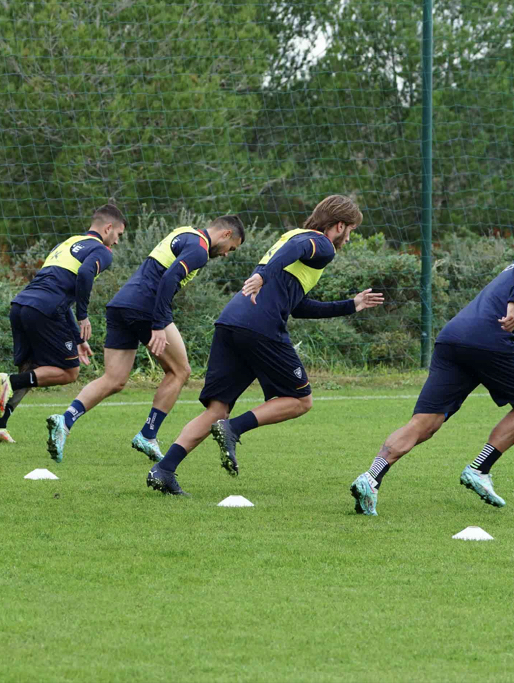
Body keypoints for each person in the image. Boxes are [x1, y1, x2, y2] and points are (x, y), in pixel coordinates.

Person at [349, 224, 514, 516]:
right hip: (488, 341)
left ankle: (371, 478)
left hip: (454, 339)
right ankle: (480, 468)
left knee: (424, 423)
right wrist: (513, 304)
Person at [147, 195, 384, 495]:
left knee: (217, 410)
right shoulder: (320, 244)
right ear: (339, 226)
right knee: (301, 400)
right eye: (350, 231)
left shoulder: (291, 237)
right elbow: (296, 251)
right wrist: (260, 275)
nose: (348, 238)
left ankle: (164, 470)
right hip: (260, 326)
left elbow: (298, 306)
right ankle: (235, 429)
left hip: (231, 321)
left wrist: (351, 305)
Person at [46, 216, 246, 463]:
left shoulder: (184, 232)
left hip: (121, 304)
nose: (227, 254)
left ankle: (64, 421)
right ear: (226, 234)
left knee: (114, 379)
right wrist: (159, 324)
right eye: (232, 248)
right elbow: (169, 279)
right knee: (180, 370)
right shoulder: (200, 249)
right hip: (146, 307)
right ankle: (148, 435)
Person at [0, 204, 128, 445]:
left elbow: (60, 293)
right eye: (119, 235)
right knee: (69, 372)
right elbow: (84, 275)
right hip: (44, 309)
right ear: (108, 228)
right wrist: (84, 317)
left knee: (31, 369)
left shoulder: (67, 243)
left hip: (21, 305)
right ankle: (11, 382)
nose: (116, 242)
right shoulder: (102, 251)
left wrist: (78, 338)